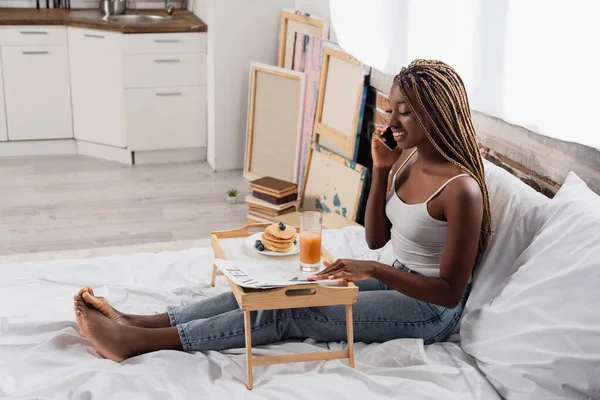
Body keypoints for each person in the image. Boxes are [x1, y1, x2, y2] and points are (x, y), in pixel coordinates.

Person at [73, 59, 491, 362]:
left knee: (293, 310)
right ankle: (140, 321)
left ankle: (140, 343)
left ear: (437, 113)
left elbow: (450, 291)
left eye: (405, 112)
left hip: (430, 311)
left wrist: (375, 269)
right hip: (400, 279)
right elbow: (377, 239)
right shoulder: (407, 159)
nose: (392, 121)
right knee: (275, 290)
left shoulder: (462, 191)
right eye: (391, 109)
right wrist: (380, 170)